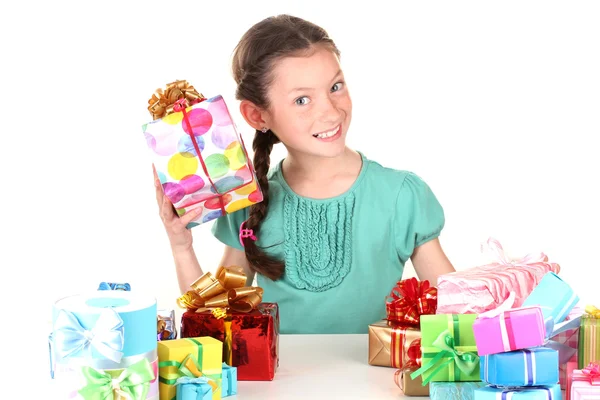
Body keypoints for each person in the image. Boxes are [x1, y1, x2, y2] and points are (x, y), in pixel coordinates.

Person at [153, 14, 456, 334]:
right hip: (280, 384)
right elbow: (215, 330)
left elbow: (457, 310)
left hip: (377, 383)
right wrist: (181, 246)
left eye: (335, 87)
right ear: (257, 115)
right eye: (302, 99)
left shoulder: (402, 196)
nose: (330, 111)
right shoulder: (247, 199)